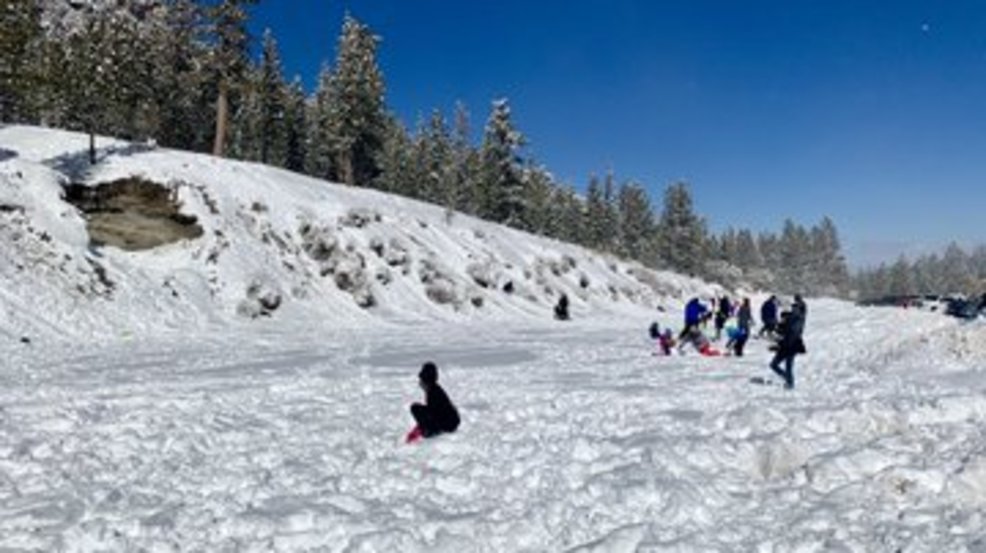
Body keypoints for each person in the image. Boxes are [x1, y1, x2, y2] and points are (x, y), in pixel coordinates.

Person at [406, 362, 460, 442]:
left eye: (421, 380)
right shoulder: (433, 390)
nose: (419, 383)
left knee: (415, 408)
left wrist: (419, 430)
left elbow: (433, 414)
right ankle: (429, 431)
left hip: (449, 424)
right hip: (449, 422)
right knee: (419, 409)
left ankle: (430, 432)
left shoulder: (434, 392)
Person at [768, 307, 806, 389]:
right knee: (774, 365)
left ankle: (790, 382)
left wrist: (778, 344)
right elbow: (780, 337)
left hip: (790, 349)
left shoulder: (791, 324)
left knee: (786, 366)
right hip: (786, 349)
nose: (781, 319)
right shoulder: (785, 325)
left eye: (782, 318)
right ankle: (788, 378)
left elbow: (789, 338)